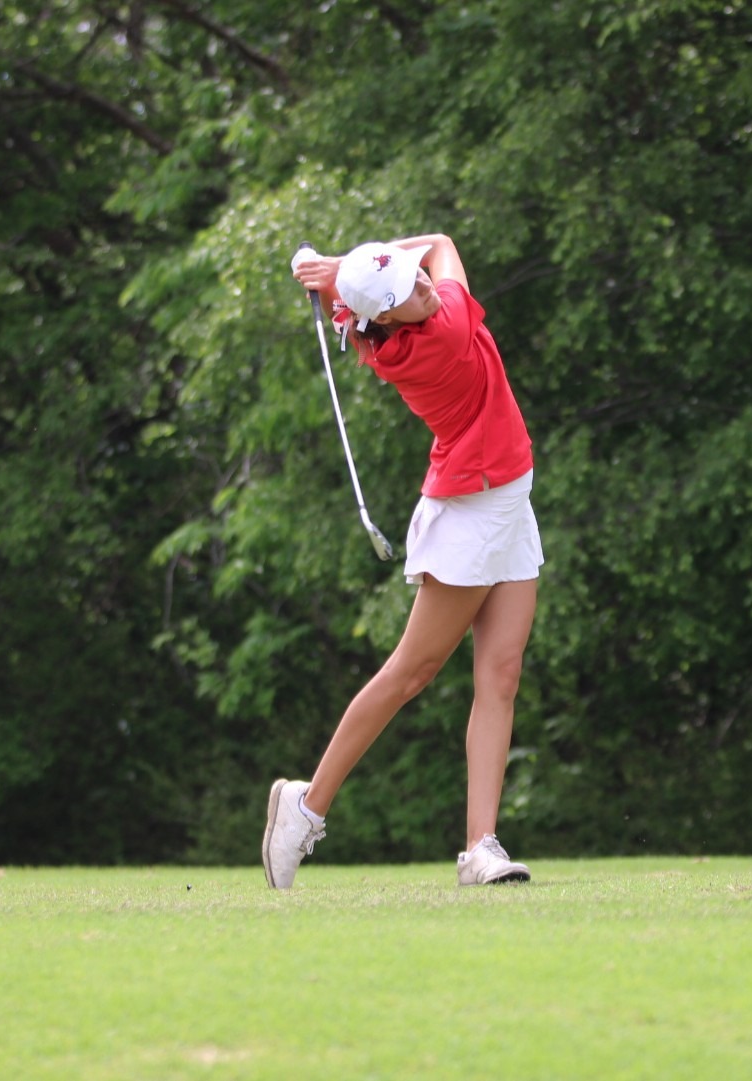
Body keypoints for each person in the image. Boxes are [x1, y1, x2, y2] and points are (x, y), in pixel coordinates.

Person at [264, 234, 542, 889]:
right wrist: (340, 270)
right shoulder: (441, 328)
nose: (421, 285)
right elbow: (441, 242)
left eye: (414, 279)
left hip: (506, 499)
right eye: (404, 293)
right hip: (471, 513)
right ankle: (305, 808)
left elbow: (406, 272)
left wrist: (339, 275)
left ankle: (481, 847)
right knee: (409, 673)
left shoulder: (388, 321)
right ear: (387, 318)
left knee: (499, 676)